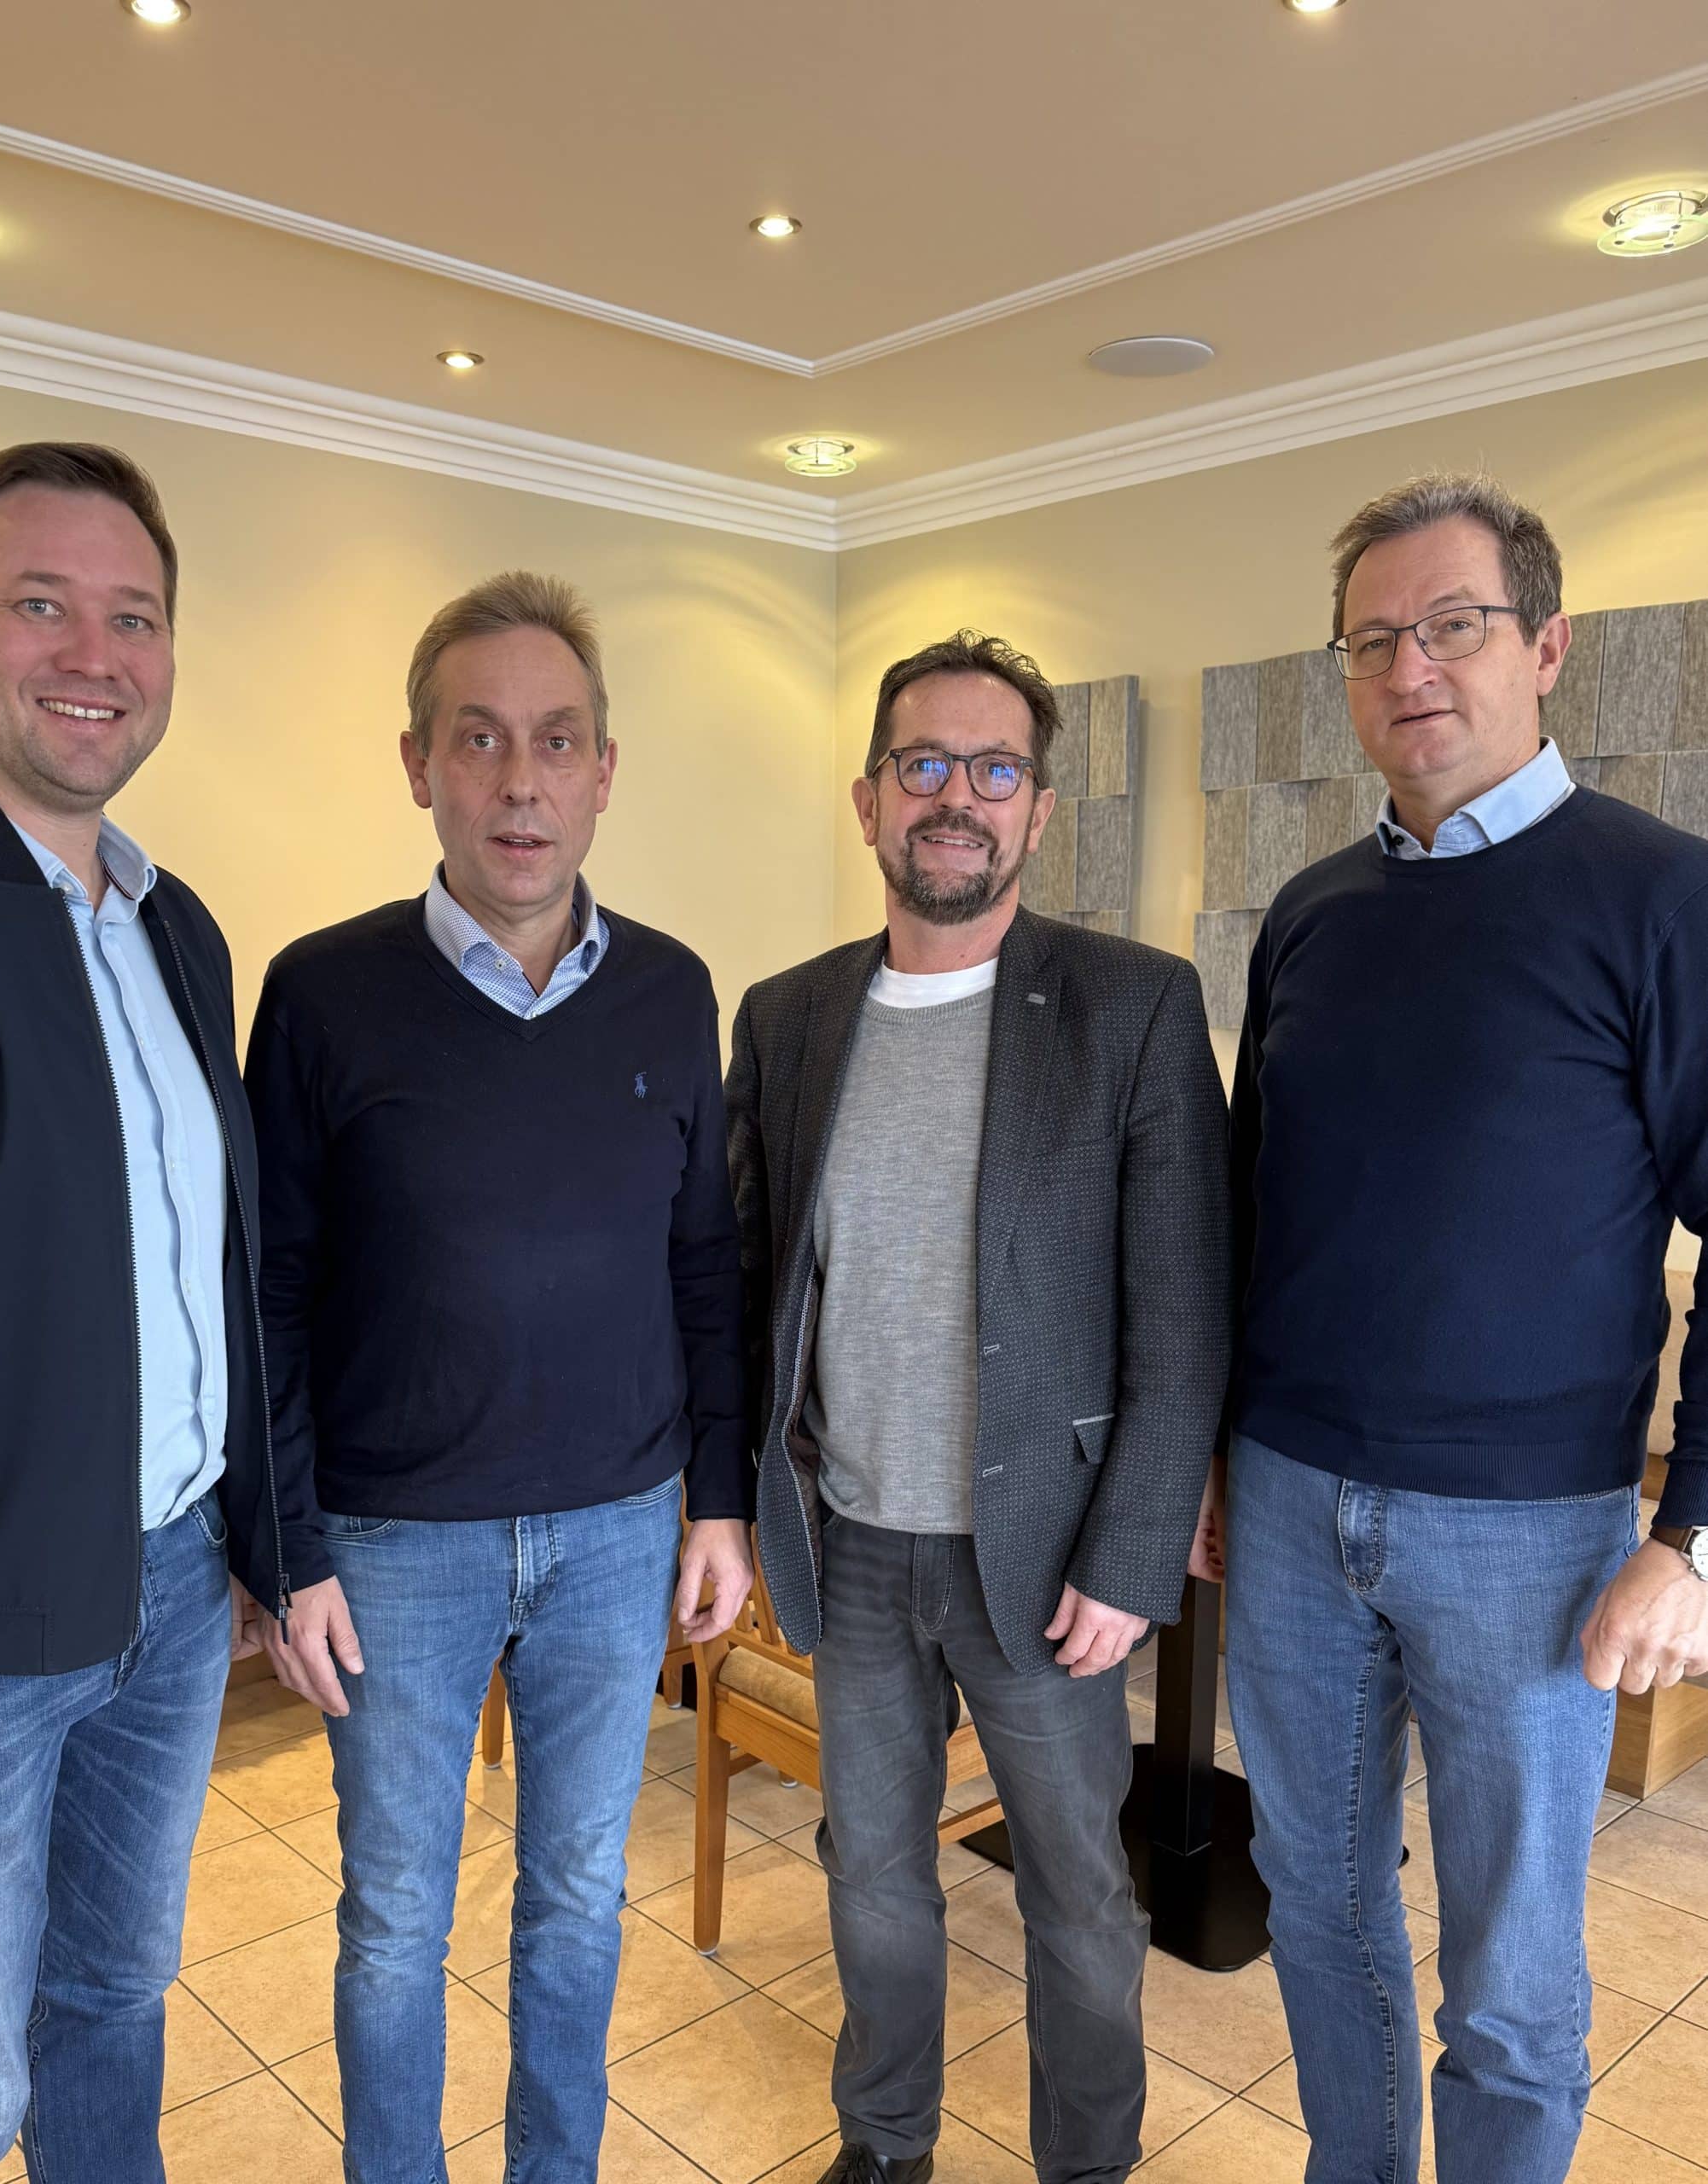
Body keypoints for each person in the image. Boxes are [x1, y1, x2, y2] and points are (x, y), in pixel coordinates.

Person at [0, 441, 324, 2182]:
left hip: (172, 1595)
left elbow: (216, 1278)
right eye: (40, 603)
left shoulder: (175, 928)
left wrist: (268, 1542)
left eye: (134, 616)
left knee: (113, 1995)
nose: (94, 654)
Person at [1217, 472, 1708, 2184]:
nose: (1406, 667)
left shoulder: (1664, 898)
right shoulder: (1307, 913)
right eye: (1370, 640)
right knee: (1315, 1905)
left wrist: (1688, 1537)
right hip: (1286, 1503)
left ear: (1544, 647)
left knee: (1505, 1978)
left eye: (1450, 625)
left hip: (1527, 1535)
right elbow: (1248, 1213)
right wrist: (1210, 1459)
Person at [245, 570, 755, 2184]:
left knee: (578, 1899)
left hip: (618, 1531)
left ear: (604, 770)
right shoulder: (321, 993)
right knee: (396, 1914)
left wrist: (719, 1502)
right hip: (395, 1544)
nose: (519, 782)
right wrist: (285, 1549)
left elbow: (702, 1262)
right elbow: (267, 1290)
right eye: (478, 740)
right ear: (418, 765)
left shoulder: (672, 989)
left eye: (556, 740)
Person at [726, 631, 1232, 2184]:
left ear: (1038, 806)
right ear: (868, 798)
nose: (957, 796)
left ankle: (1087, 2166)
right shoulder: (788, 1016)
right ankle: (885, 2145)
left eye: (994, 768)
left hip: (1048, 1562)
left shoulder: (1132, 1006)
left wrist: (1133, 1557)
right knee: (870, 1873)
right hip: (850, 1548)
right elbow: (748, 1286)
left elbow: (1183, 1313)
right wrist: (736, 1510)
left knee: (1076, 1893)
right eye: (924, 764)